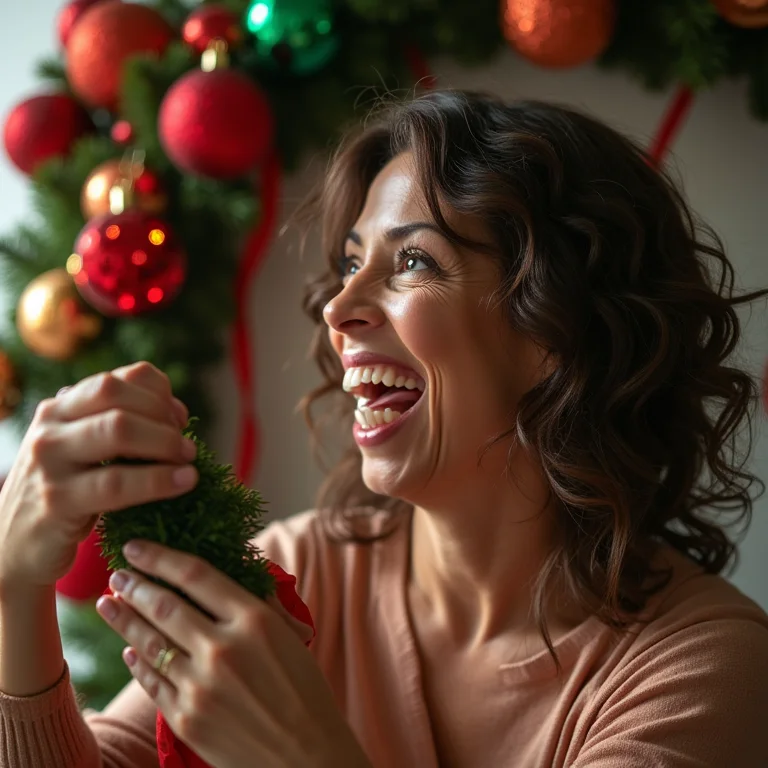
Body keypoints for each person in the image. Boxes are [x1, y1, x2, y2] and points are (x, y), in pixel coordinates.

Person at [1, 89, 767, 768]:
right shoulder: (301, 571)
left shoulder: (704, 670)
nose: (338, 310)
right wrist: (13, 591)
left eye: (413, 262)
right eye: (350, 262)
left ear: (558, 332)